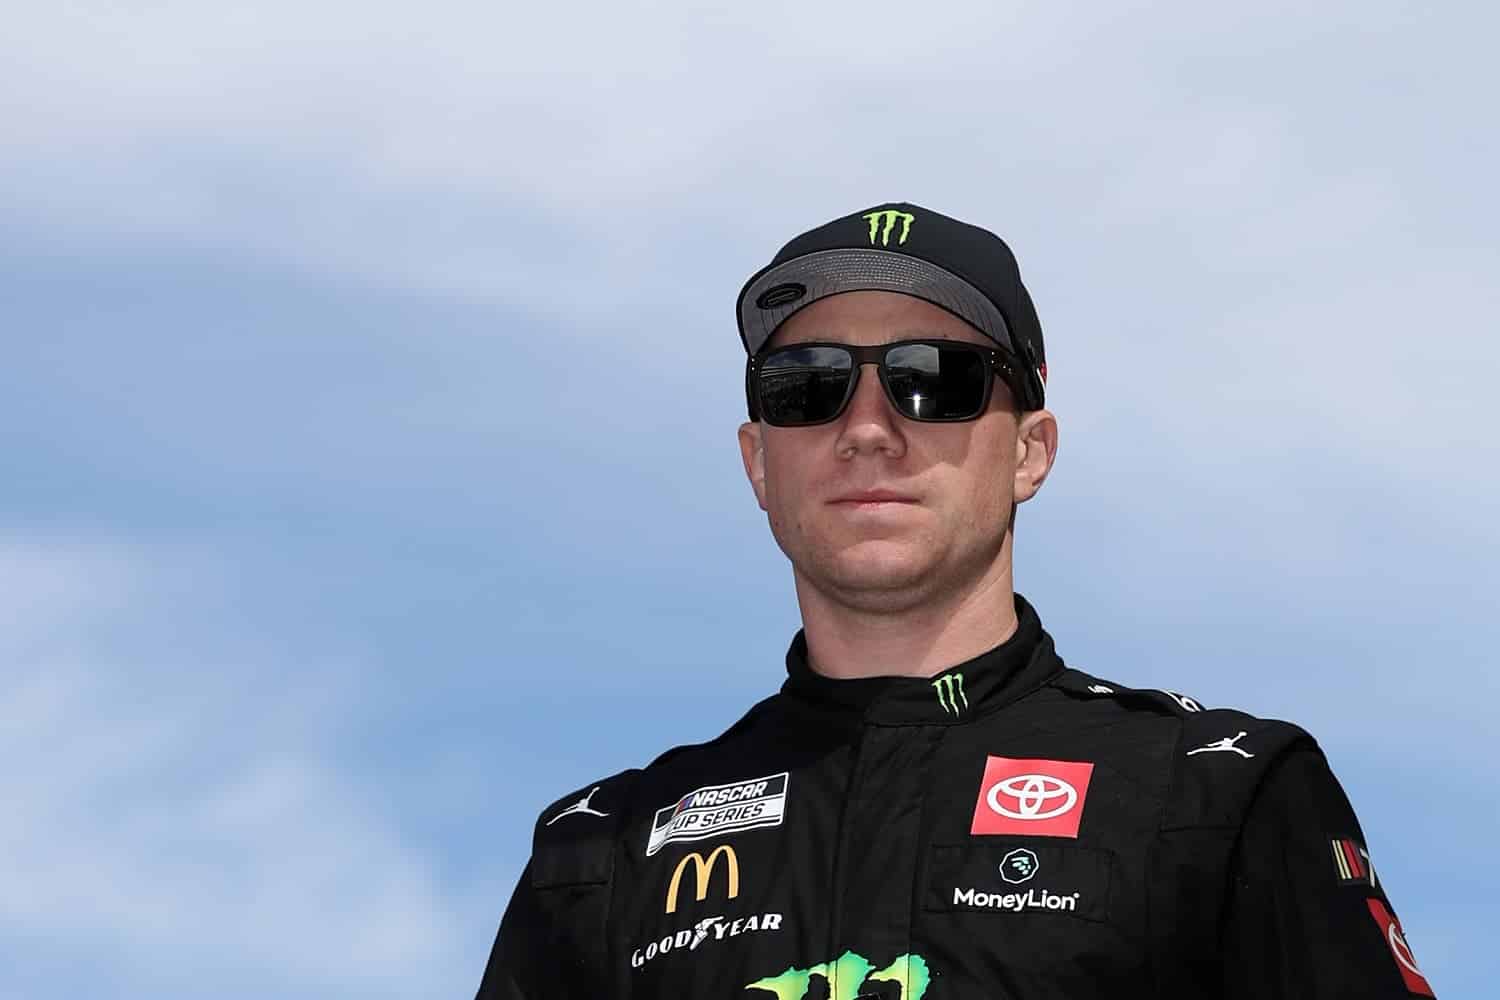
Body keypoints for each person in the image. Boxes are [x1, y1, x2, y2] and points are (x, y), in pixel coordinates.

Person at [474, 203, 1435, 999]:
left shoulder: (1216, 793)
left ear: (1032, 450)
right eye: (806, 387)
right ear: (757, 461)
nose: (867, 429)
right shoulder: (603, 852)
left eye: (934, 380)